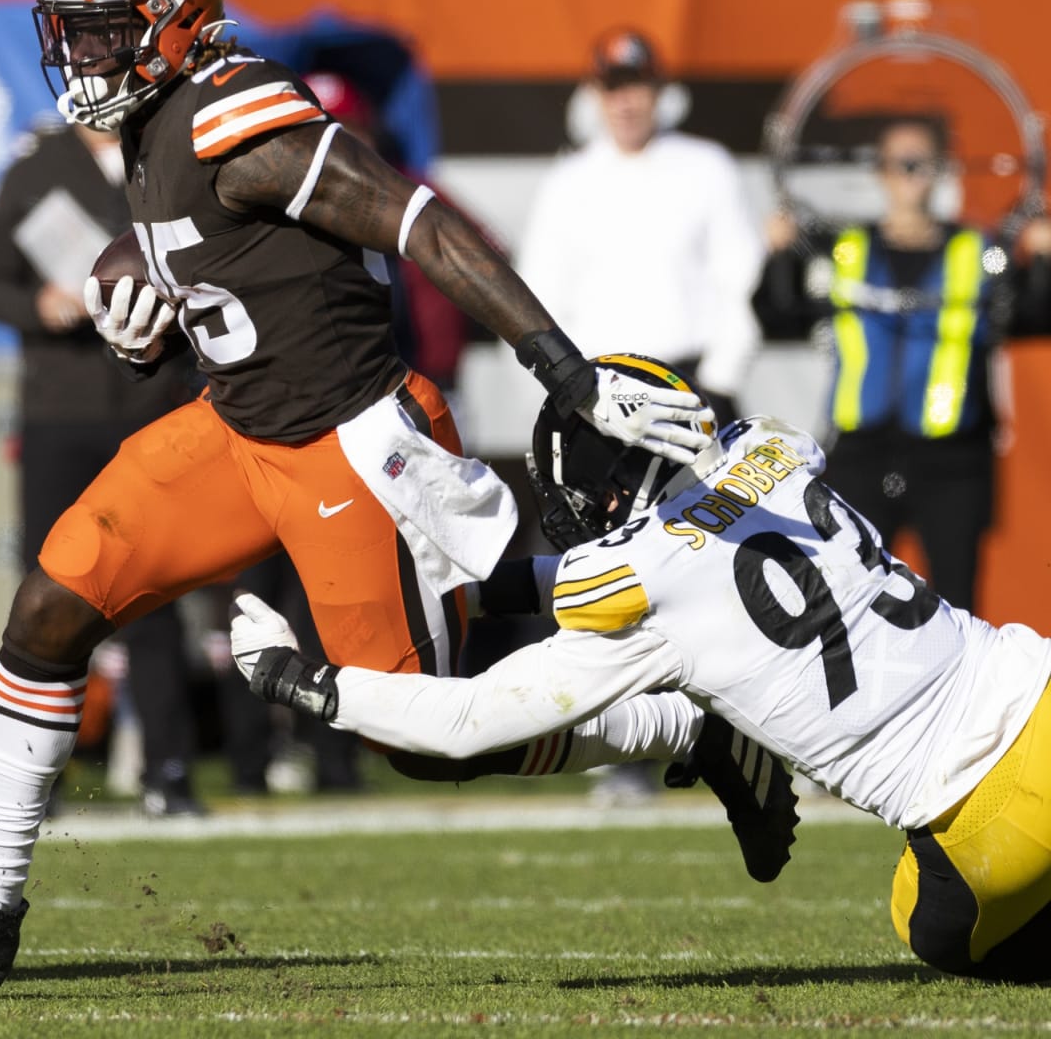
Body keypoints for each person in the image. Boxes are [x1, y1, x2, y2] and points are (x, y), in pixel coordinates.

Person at [0, 0, 715, 985]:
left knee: (425, 735)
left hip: (352, 446)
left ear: (174, 22)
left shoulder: (234, 114)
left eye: (109, 29)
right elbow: (226, 240)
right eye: (78, 29)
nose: (84, 53)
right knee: (54, 597)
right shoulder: (156, 120)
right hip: (237, 427)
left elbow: (421, 223)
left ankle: (688, 729)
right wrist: (151, 277)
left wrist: (566, 370)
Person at [234, 353, 1051, 984]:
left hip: (986, 820)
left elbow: (463, 724)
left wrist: (300, 680)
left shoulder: (639, 579)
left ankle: (704, 730)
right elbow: (701, 553)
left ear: (611, 488)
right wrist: (474, 596)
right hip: (1037, 684)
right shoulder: (771, 453)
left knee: (926, 923)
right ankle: (708, 728)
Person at [0, 122, 203, 817]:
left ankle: (169, 771)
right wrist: (40, 306)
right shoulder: (39, 166)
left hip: (147, 404)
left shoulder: (166, 153)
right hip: (59, 409)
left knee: (150, 595)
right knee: (48, 601)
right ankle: (34, 782)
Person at [754, 118, 1013, 613]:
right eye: (900, 162)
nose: (910, 173)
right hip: (861, 456)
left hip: (952, 460)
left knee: (958, 607)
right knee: (854, 605)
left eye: (921, 161)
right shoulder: (845, 250)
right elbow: (778, 315)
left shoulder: (979, 253)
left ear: (940, 170)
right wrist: (779, 255)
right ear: (881, 172)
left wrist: (1042, 260)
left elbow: (1028, 314)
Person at [516, 26, 765, 426]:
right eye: (612, 88)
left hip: (693, 390)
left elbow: (743, 280)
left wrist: (720, 383)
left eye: (636, 86)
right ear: (594, 95)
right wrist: (564, 395)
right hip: (597, 397)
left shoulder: (707, 167)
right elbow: (539, 294)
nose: (625, 102)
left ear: (659, 90)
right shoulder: (566, 182)